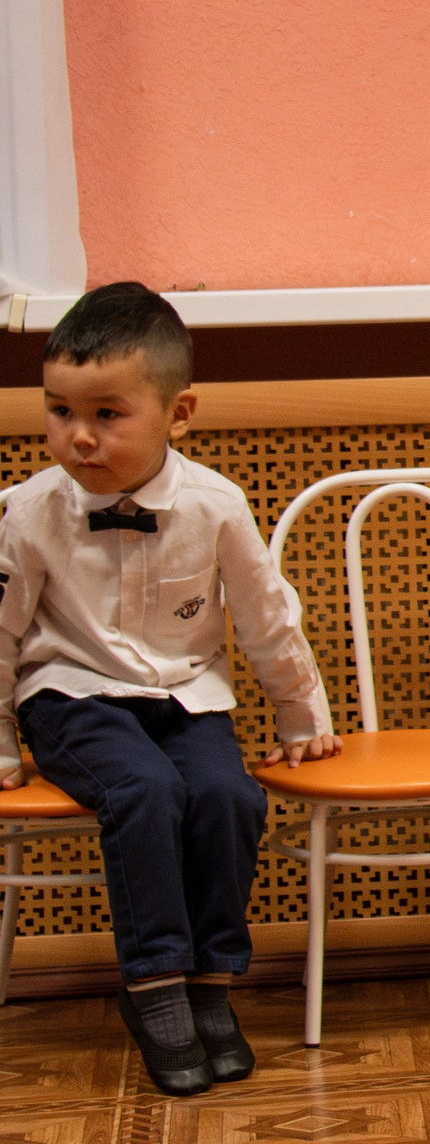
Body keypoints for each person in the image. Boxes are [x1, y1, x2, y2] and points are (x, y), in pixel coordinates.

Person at [0, 283, 338, 1097]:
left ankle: (211, 982)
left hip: (186, 694)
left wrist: (302, 714)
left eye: (107, 413)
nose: (77, 436)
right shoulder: (25, 512)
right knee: (144, 789)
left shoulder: (215, 505)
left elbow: (265, 619)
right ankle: (154, 984)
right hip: (72, 692)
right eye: (58, 411)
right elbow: (2, 632)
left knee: (228, 795)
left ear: (178, 411)